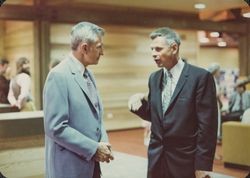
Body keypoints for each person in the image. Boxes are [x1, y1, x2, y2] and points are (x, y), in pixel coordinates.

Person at [128, 27, 218, 178]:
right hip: (157, 158)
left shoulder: (200, 77)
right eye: (151, 49)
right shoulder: (154, 78)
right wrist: (138, 105)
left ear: (174, 48)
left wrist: (202, 165)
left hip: (185, 160)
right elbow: (158, 117)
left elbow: (208, 126)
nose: (153, 54)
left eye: (158, 49)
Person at [43, 22, 114, 178]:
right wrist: (93, 148)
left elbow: (97, 116)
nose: (102, 52)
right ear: (84, 48)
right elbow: (55, 127)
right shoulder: (58, 75)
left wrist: (103, 144)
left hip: (91, 164)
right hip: (69, 166)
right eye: (99, 47)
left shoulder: (89, 75)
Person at [207, 63, 222, 141]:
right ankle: (216, 137)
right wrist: (220, 102)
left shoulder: (212, 79)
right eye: (219, 71)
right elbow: (216, 94)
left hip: (214, 104)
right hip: (214, 104)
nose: (219, 73)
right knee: (216, 120)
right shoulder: (212, 80)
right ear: (215, 71)